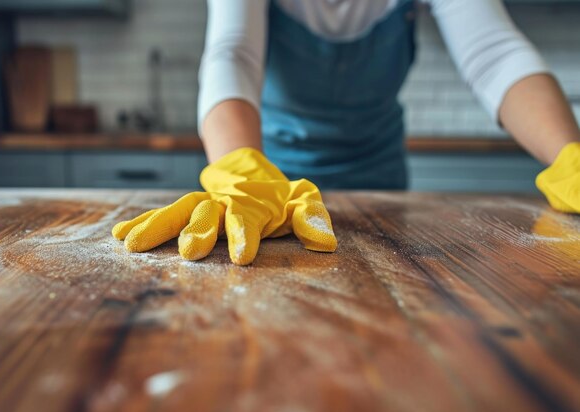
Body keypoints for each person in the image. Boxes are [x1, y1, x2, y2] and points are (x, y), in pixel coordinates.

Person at [112, 0, 580, 265]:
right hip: (271, 185)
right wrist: (240, 171)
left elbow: (495, 55)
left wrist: (569, 155)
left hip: (381, 182)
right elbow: (233, 54)